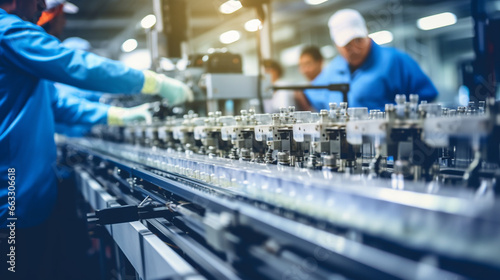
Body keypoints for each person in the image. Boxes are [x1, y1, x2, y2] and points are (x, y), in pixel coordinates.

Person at [0, 0, 192, 278]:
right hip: (12, 201)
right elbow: (75, 65)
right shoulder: (7, 31)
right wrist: (153, 82)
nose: (42, 6)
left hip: (28, 197)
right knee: (17, 267)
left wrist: (118, 115)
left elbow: (58, 103)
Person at [304, 9, 438, 111]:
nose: (355, 49)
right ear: (336, 45)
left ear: (367, 34)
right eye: (347, 45)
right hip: (344, 144)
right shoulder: (333, 69)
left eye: (358, 40)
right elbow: (310, 96)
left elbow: (427, 96)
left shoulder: (395, 60)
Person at [296, 46, 324, 111]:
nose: (304, 70)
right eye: (301, 65)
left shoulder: (331, 83)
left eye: (308, 64)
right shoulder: (306, 89)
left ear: (320, 62)